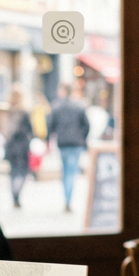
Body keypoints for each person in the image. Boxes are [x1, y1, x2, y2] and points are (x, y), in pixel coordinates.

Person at [47, 82, 90, 212]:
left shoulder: (56, 106)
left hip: (63, 143)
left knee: (66, 171)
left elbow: (50, 125)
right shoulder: (79, 106)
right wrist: (82, 137)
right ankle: (68, 199)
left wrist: (49, 139)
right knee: (72, 171)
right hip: (76, 143)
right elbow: (86, 126)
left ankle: (67, 199)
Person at [4, 88, 34, 208]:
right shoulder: (24, 112)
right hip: (22, 146)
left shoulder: (7, 112)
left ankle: (14, 195)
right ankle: (17, 193)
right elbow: (30, 130)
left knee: (13, 172)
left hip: (10, 146)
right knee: (21, 171)